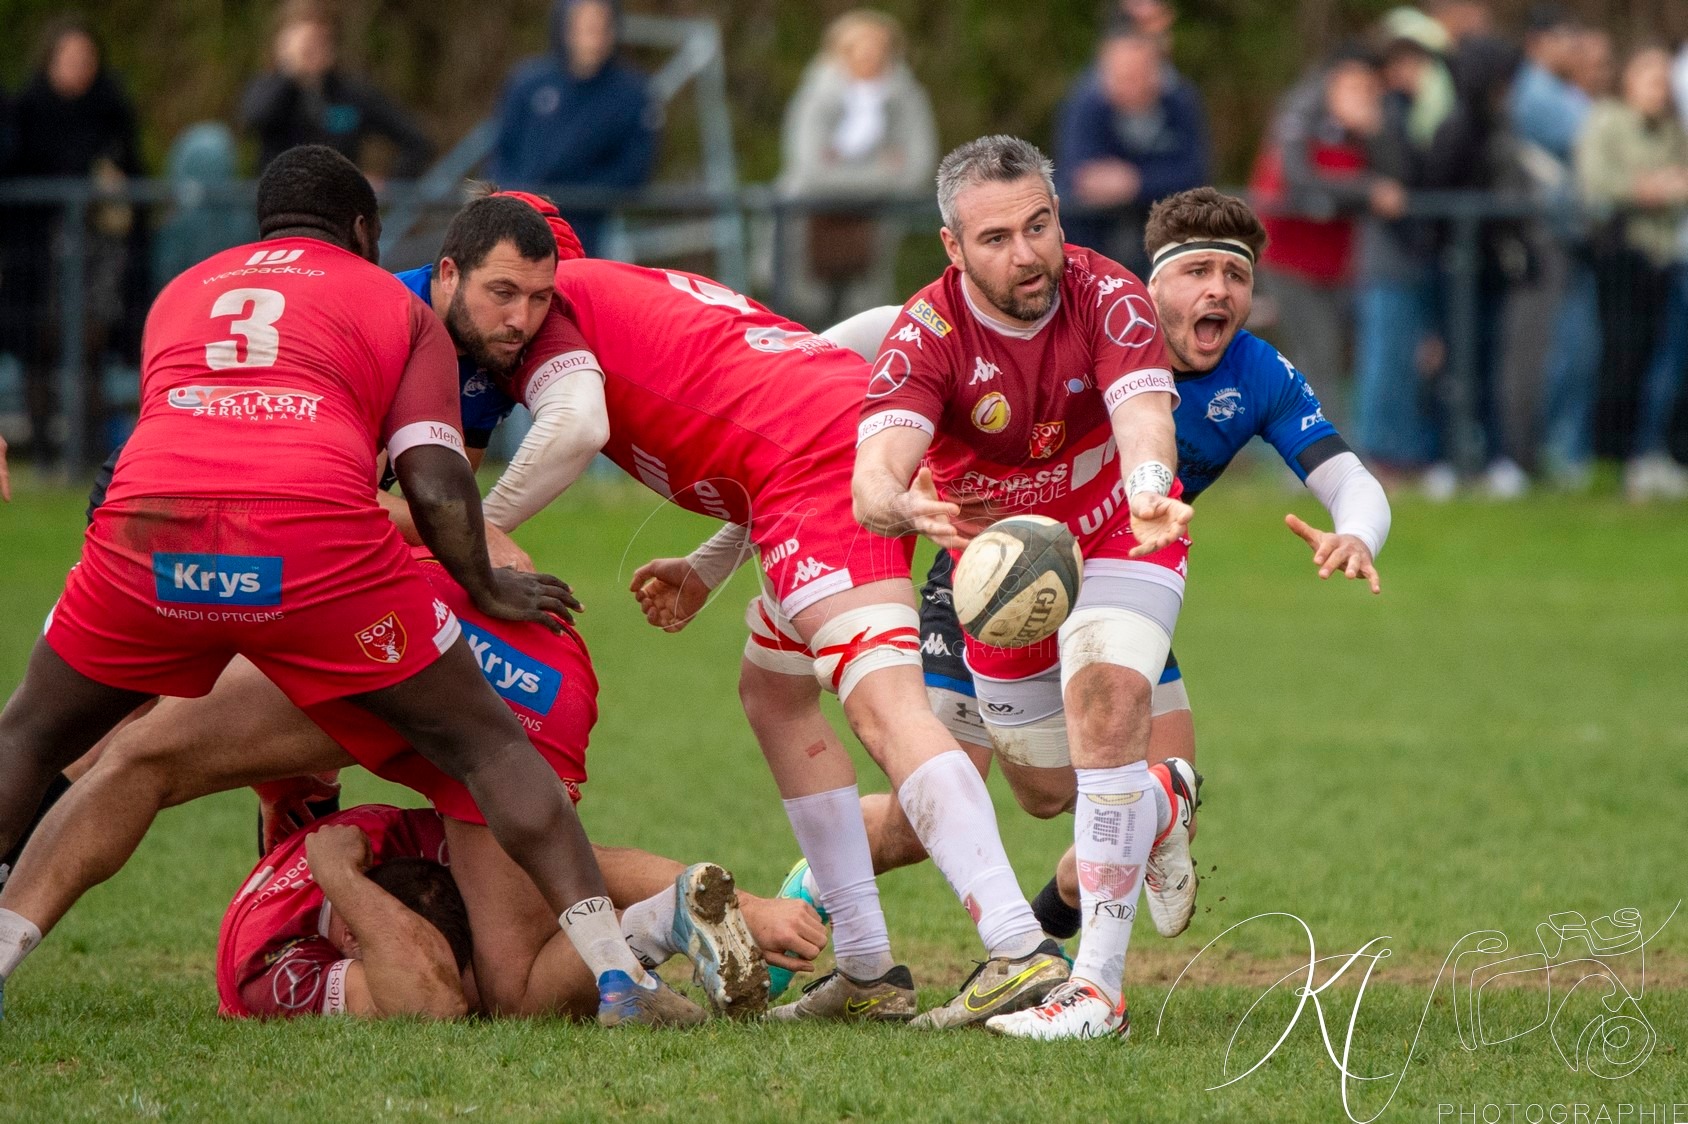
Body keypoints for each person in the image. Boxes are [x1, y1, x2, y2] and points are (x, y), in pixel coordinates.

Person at [0, 145, 693, 1027]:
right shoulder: (396, 309)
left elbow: (158, 441)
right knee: (490, 761)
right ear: (370, 235)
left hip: (156, 535)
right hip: (322, 560)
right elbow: (440, 488)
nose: (523, 320)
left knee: (46, 736)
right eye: (505, 296)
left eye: (538, 301)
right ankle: (620, 972)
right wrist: (486, 578)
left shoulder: (187, 288)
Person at [474, 193, 1072, 1027]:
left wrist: (470, 532)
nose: (516, 312)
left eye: (522, 289)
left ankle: (1018, 949)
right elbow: (780, 393)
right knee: (775, 692)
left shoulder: (557, 315)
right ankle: (866, 971)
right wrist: (710, 564)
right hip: (811, 456)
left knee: (883, 705)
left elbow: (577, 427)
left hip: (817, 466)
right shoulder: (634, 297)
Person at [795, 188, 1391, 958]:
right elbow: (897, 330)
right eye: (1198, 271)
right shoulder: (1087, 318)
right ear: (1151, 284)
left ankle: (1039, 953)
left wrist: (1357, 532)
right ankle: (801, 900)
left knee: (1151, 794)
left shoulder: (1257, 374)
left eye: (1236, 276)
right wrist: (794, 357)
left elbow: (1351, 478)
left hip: (1115, 571)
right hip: (988, 582)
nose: (1219, 291)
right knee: (942, 811)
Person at [848, 134, 1195, 1040]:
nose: (1027, 252)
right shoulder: (927, 332)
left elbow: (1144, 420)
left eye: (1039, 225)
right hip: (999, 579)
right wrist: (901, 507)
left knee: (1109, 705)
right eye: (997, 238)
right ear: (953, 248)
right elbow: (873, 476)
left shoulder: (1110, 294)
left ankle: (1096, 993)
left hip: (1122, 533)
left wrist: (1153, 492)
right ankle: (1164, 799)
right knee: (1052, 793)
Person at [8, 18, 144, 468]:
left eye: (85, 59)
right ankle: (45, 448)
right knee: (39, 342)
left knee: (90, 342)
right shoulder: (24, 111)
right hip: (38, 251)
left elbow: (135, 174)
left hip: (97, 250)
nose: (77, 69)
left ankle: (89, 452)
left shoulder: (111, 109)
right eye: (68, 59)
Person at [1252, 46, 1389, 428]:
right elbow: (1297, 182)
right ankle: (1326, 454)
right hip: (1289, 255)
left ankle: (1328, 449)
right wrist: (1363, 191)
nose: (1361, 92)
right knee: (1317, 356)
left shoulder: (1372, 123)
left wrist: (1375, 135)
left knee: (1339, 357)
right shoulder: (1302, 110)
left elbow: (1395, 185)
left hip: (1338, 260)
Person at [777, 9, 938, 326]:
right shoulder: (816, 95)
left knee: (865, 321)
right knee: (801, 319)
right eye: (857, 47)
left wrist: (839, 170)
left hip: (877, 233)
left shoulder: (907, 99)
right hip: (807, 230)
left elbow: (916, 170)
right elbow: (809, 169)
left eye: (877, 47)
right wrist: (883, 171)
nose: (868, 56)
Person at [1576, 45, 1688, 500]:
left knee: (1666, 361)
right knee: (1622, 358)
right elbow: (1596, 184)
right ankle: (1611, 459)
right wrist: (1648, 189)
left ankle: (1654, 455)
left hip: (1666, 257)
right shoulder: (1606, 120)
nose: (1657, 90)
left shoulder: (1672, 129)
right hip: (1623, 255)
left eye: (1663, 81)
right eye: (1648, 79)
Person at [490, 0, 660, 257]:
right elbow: (502, 152)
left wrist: (572, 200)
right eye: (583, 25)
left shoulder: (631, 93)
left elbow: (634, 168)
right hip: (518, 222)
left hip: (591, 230)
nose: (593, 35)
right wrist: (514, 200)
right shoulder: (528, 82)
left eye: (600, 25)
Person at [1055, 27, 1211, 276]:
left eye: (1136, 76)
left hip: (1163, 233)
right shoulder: (1086, 103)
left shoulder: (1180, 102)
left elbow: (1193, 173)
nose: (1127, 87)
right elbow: (1080, 176)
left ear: (1156, 73)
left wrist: (1135, 182)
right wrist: (1154, 177)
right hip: (1095, 234)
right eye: (1119, 77)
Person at [239, 1, 433, 178]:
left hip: (335, 206)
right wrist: (290, 73)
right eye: (306, 42)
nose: (314, 48)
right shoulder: (266, 87)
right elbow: (254, 119)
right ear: (282, 42)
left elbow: (417, 142)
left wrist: (387, 185)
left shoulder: (353, 94)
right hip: (277, 204)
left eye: (321, 40)